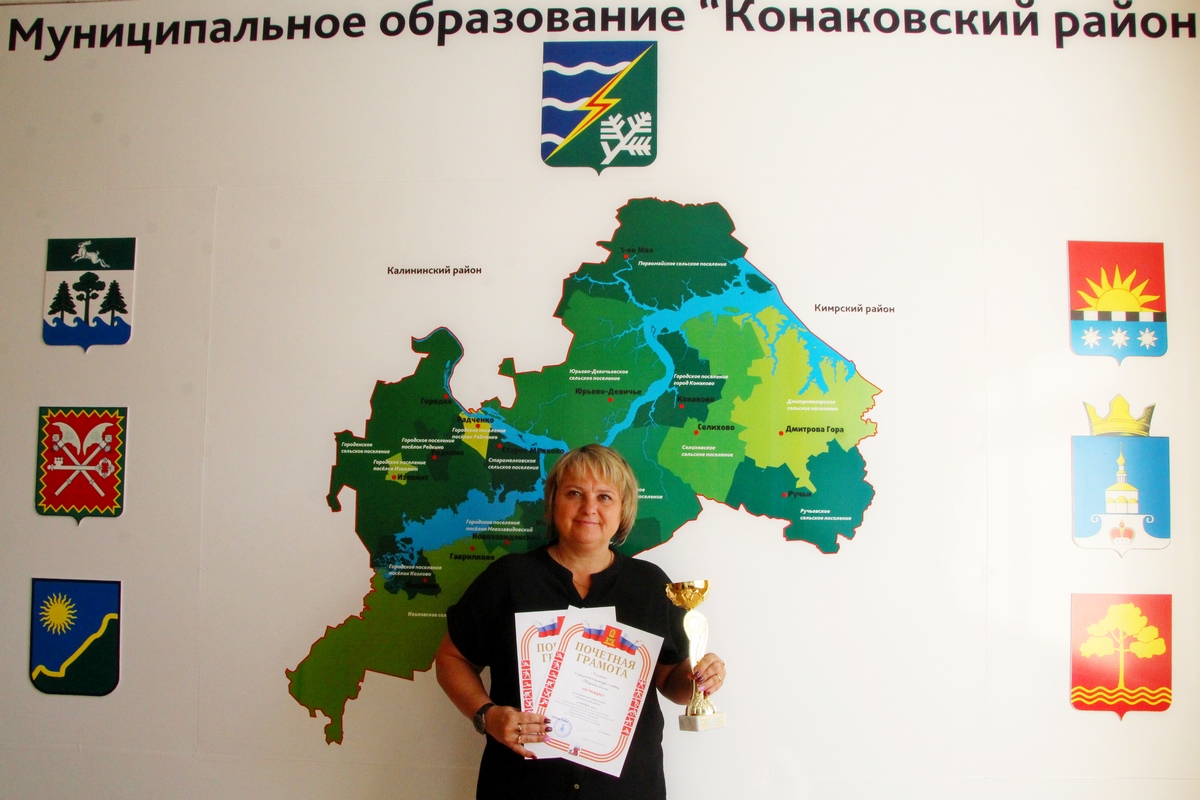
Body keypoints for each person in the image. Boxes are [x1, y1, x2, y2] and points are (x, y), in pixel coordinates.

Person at [435, 444, 728, 799]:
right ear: (553, 502)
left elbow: (671, 683)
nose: (589, 508)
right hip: (522, 786)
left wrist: (699, 677)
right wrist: (487, 715)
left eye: (605, 497)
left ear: (623, 510)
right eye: (575, 493)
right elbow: (451, 658)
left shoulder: (651, 586)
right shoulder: (509, 579)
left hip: (627, 789)